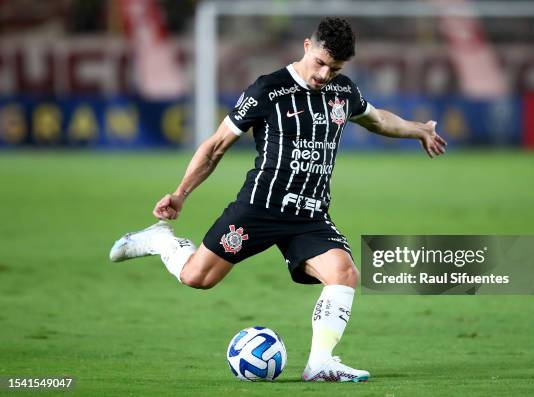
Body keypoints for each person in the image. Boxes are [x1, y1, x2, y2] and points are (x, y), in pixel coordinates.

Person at [110, 17, 447, 382]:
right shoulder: (268, 90)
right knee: (197, 278)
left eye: (334, 69)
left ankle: (320, 363)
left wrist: (419, 130)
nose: (323, 74)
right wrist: (180, 194)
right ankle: (160, 240)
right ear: (307, 46)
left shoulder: (342, 92)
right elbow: (214, 148)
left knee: (345, 273)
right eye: (320, 63)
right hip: (260, 209)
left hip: (310, 215)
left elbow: (378, 120)